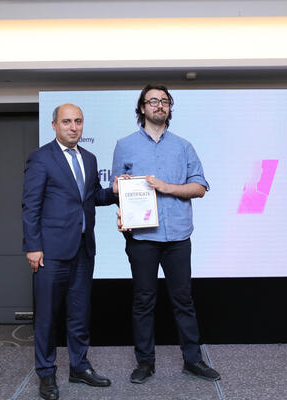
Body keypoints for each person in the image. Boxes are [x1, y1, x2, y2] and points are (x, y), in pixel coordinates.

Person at [111, 84, 221, 384]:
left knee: (183, 300)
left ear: (169, 107)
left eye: (165, 101)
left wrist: (167, 187)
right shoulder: (125, 145)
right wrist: (120, 193)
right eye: (153, 101)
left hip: (177, 238)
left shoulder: (184, 147)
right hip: (142, 238)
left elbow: (200, 187)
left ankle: (193, 361)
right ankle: (145, 362)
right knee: (143, 301)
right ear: (142, 107)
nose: (160, 105)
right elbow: (116, 189)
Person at [22, 103, 118, 400]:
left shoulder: (89, 158)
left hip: (83, 250)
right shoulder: (41, 158)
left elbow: (92, 197)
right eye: (67, 122)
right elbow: (30, 206)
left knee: (79, 314)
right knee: (47, 317)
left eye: (78, 121)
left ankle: (79, 367)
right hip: (50, 253)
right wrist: (33, 247)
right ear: (54, 125)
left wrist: (116, 192)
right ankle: (46, 373)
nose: (73, 127)